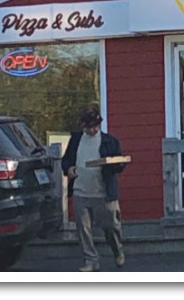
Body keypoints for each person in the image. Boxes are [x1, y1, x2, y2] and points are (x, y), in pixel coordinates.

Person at [61, 107, 126, 272]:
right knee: (83, 229)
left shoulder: (110, 141)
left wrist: (116, 163)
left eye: (96, 126)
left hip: (104, 193)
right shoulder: (75, 140)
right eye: (89, 127)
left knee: (111, 226)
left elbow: (119, 164)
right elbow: (66, 161)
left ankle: (117, 250)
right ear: (83, 126)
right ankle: (91, 260)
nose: (93, 130)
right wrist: (68, 169)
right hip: (80, 191)